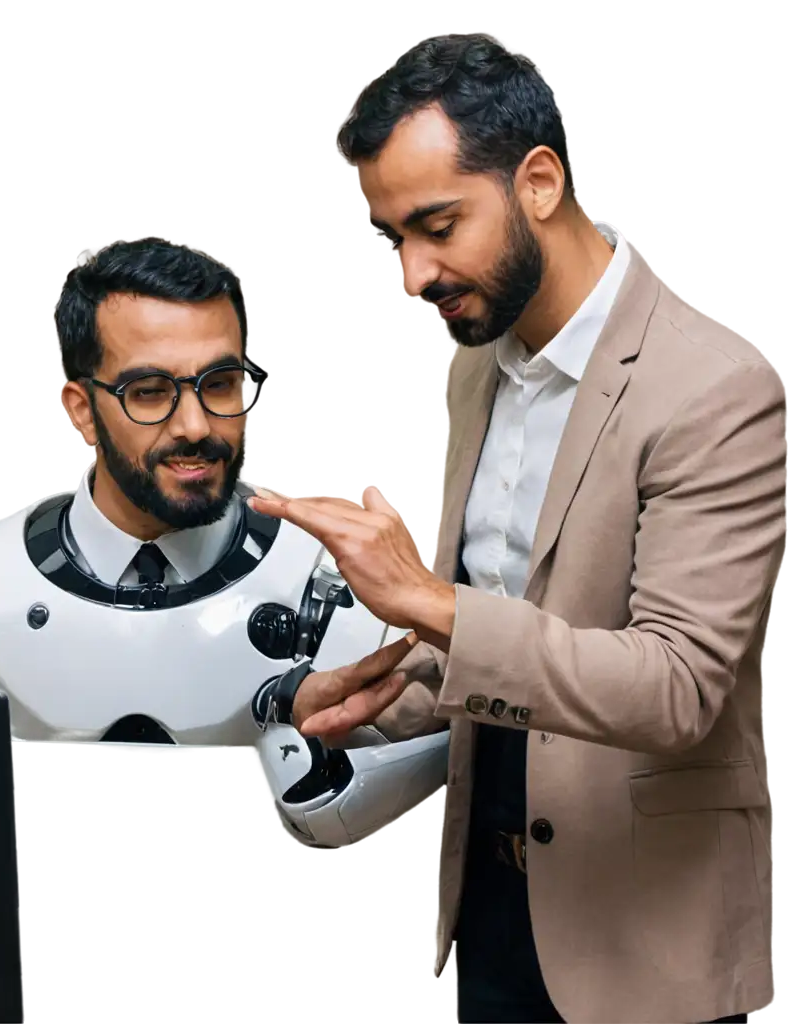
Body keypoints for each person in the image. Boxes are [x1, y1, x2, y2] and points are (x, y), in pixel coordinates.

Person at [248, 32, 789, 1024]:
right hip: (492, 917)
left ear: (538, 182)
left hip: (643, 951)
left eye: (437, 225)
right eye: (392, 241)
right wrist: (376, 695)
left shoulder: (715, 390)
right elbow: (505, 627)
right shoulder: (476, 356)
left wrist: (426, 598)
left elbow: (676, 687)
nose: (409, 277)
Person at [0, 236, 449, 851]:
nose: (196, 425)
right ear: (82, 411)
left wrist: (303, 739)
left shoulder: (346, 595)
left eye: (220, 383)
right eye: (148, 392)